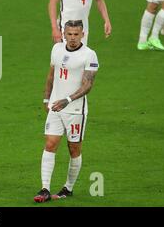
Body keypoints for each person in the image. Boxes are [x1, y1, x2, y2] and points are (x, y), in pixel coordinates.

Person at [34, 20, 99, 203]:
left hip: (75, 110)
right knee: (50, 144)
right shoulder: (57, 49)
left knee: (74, 149)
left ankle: (68, 188)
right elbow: (51, 75)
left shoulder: (89, 55)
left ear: (82, 35)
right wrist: (47, 98)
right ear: (64, 33)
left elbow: (88, 85)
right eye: (69, 34)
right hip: (56, 107)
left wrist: (67, 100)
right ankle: (45, 188)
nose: (72, 38)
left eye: (76, 34)